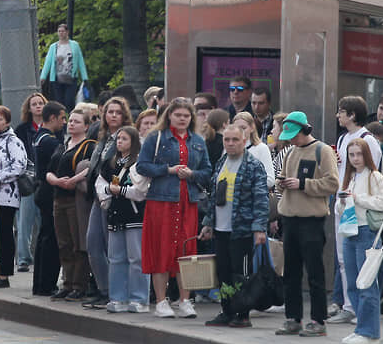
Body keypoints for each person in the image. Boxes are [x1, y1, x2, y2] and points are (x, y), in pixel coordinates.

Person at [137, 98, 212, 319]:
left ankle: (185, 300)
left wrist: (192, 174)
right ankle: (161, 301)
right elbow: (142, 165)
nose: (182, 119)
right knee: (161, 249)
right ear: (169, 115)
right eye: (178, 115)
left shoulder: (198, 140)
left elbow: (207, 171)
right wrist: (168, 170)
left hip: (188, 202)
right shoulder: (156, 137)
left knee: (186, 251)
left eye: (186, 116)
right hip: (161, 201)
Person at [274, 111, 339, 337]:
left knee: (314, 272)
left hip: (311, 219)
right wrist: (281, 184)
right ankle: (293, 318)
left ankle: (318, 320)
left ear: (305, 130)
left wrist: (303, 184)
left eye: (294, 134)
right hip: (289, 218)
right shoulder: (290, 152)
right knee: (290, 272)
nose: (291, 139)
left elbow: (332, 183)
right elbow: (281, 177)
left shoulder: (323, 151)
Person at [200, 125, 270, 328]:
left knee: (241, 272)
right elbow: (214, 196)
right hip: (221, 228)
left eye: (235, 140)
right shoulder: (222, 162)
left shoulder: (252, 165)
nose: (230, 143)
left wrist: (259, 228)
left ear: (244, 140)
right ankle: (227, 310)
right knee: (223, 272)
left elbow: (261, 198)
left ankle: (242, 313)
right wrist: (208, 223)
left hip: (242, 229)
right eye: (227, 140)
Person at [331, 96, 383, 325]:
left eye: (341, 112)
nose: (338, 116)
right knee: (344, 258)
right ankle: (348, 305)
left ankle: (361, 309)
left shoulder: (367, 139)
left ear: (352, 114)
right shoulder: (343, 138)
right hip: (344, 201)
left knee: (363, 260)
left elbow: (374, 168)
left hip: (361, 205)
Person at [336, 138, 383, 344]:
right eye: (352, 155)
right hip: (349, 230)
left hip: (367, 230)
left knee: (367, 282)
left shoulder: (375, 176)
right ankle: (361, 327)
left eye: (359, 154)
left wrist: (358, 198)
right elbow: (342, 209)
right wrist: (343, 201)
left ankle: (370, 331)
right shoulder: (349, 176)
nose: (355, 159)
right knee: (352, 282)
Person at [84, 97, 133, 308]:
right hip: (97, 196)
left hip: (113, 197)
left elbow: (123, 166)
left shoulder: (126, 136)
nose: (113, 115)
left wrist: (109, 191)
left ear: (124, 116)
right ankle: (104, 288)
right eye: (110, 111)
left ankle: (114, 291)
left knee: (111, 248)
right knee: (92, 244)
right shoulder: (103, 137)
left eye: (117, 112)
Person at [95, 126, 150, 314]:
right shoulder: (111, 163)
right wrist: (107, 195)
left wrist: (122, 191)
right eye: (118, 139)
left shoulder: (139, 163)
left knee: (137, 258)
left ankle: (139, 298)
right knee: (116, 258)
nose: (120, 142)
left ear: (133, 142)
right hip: (115, 215)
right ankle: (118, 297)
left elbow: (141, 190)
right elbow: (100, 182)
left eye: (124, 139)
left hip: (134, 215)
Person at [46, 107, 97, 301]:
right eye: (70, 121)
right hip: (59, 197)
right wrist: (56, 181)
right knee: (64, 243)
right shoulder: (63, 144)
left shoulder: (88, 145)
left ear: (86, 126)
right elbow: (49, 170)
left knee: (78, 243)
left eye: (76, 121)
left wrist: (74, 180)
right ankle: (66, 283)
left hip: (76, 200)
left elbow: (92, 165)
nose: (71, 124)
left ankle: (79, 285)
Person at [32, 101, 67, 296]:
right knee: (51, 240)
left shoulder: (39, 137)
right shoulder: (50, 141)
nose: (64, 122)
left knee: (43, 238)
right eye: (62, 118)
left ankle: (40, 283)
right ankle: (46, 284)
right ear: (52, 118)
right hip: (48, 190)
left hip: (41, 189)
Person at [0, 106, 28, 289]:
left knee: (4, 233)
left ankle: (4, 273)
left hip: (6, 196)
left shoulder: (12, 141)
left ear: (7, 122)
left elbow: (20, 165)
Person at [15, 92, 47, 273]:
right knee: (24, 221)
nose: (37, 106)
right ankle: (23, 259)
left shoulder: (50, 127)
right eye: (34, 104)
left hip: (45, 179)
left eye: (40, 103)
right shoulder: (22, 129)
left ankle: (42, 256)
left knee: (44, 220)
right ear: (29, 108)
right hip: (27, 179)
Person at [39, 24, 89, 110]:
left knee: (69, 100)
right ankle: (61, 119)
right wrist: (43, 77)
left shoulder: (74, 45)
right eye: (59, 31)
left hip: (70, 77)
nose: (61, 33)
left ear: (67, 32)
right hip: (57, 78)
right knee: (59, 102)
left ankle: (70, 116)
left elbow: (80, 61)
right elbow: (48, 62)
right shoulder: (53, 47)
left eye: (63, 31)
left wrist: (85, 77)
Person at [233, 111, 276, 189]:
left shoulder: (261, 148)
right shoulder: (229, 148)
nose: (240, 131)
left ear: (252, 128)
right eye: (236, 128)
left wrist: (247, 183)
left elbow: (270, 180)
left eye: (243, 128)